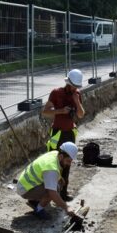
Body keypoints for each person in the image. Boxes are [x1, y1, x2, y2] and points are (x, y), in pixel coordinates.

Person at [42, 69, 85, 201]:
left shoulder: (77, 94)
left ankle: (63, 193)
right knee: (54, 162)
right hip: (57, 134)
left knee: (67, 163)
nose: (74, 88)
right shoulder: (56, 93)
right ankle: (50, 192)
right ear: (68, 82)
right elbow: (45, 112)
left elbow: (81, 114)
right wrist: (61, 111)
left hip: (70, 134)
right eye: (73, 86)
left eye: (76, 87)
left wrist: (77, 101)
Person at [16, 142, 79, 220]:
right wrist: (67, 207)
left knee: (59, 183)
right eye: (68, 161)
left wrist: (59, 178)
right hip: (25, 189)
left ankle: (34, 201)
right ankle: (38, 210)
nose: (69, 164)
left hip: (25, 184)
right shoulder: (51, 169)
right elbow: (52, 193)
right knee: (54, 189)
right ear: (61, 156)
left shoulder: (55, 153)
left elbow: (52, 171)